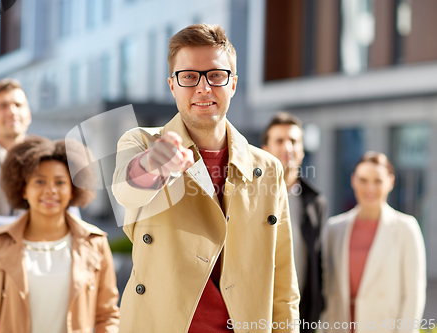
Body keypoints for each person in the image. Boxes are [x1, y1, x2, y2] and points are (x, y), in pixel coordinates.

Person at [112, 23, 299, 332]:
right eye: (189, 77)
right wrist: (157, 164)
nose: (203, 88)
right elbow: (126, 189)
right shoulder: (143, 143)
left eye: (216, 75)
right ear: (172, 85)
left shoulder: (267, 167)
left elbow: (283, 277)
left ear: (233, 84)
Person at [0, 79, 80, 327]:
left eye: (18, 105)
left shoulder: (52, 161)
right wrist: (48, 221)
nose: (12, 111)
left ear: (28, 114)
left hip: (44, 285)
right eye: (3, 105)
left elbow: (74, 221)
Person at [0, 137, 120, 333]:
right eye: (39, 181)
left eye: (60, 182)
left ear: (72, 190)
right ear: (23, 189)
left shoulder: (96, 243)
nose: (50, 190)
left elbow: (108, 316)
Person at [321, 151, 426, 332]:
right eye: (363, 180)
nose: (370, 188)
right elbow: (326, 287)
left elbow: (413, 295)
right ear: (353, 180)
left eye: (377, 181)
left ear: (390, 182)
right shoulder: (334, 228)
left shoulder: (406, 228)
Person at [261, 112, 327, 332]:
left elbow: (316, 262)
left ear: (302, 149)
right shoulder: (248, 196)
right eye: (279, 141)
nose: (287, 148)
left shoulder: (315, 202)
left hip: (300, 318)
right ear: (265, 148)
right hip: (257, 312)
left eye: (294, 141)